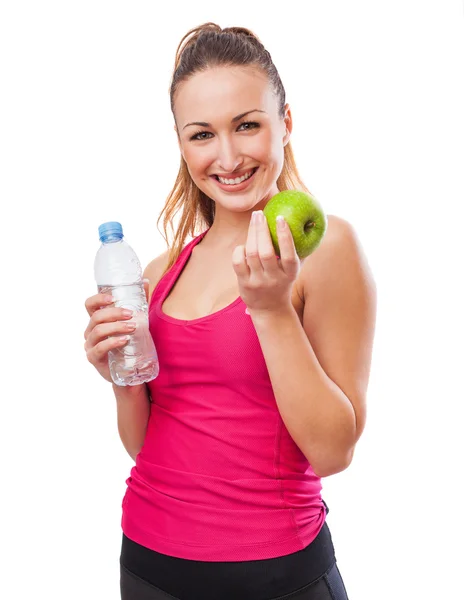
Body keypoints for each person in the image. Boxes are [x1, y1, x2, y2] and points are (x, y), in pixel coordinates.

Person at [84, 22, 376, 600]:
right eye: (201, 135)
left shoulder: (324, 249)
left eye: (247, 125)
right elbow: (147, 446)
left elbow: (334, 450)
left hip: (274, 575)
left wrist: (270, 310)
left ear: (285, 124)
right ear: (180, 143)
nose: (228, 156)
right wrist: (120, 380)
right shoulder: (157, 274)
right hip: (147, 563)